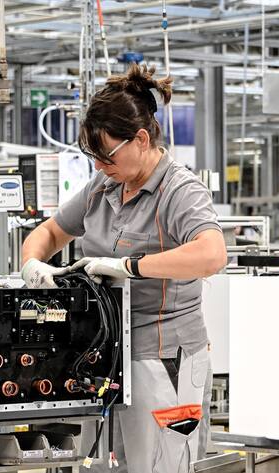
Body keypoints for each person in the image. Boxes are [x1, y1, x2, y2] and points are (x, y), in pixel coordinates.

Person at [20, 63, 227, 472]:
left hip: (163, 358)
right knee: (101, 464)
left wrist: (130, 267)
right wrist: (32, 263)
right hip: (101, 353)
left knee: (162, 464)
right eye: (92, 157)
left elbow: (212, 254)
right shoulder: (104, 186)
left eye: (106, 155)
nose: (98, 166)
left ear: (142, 139)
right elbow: (49, 231)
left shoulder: (181, 191)